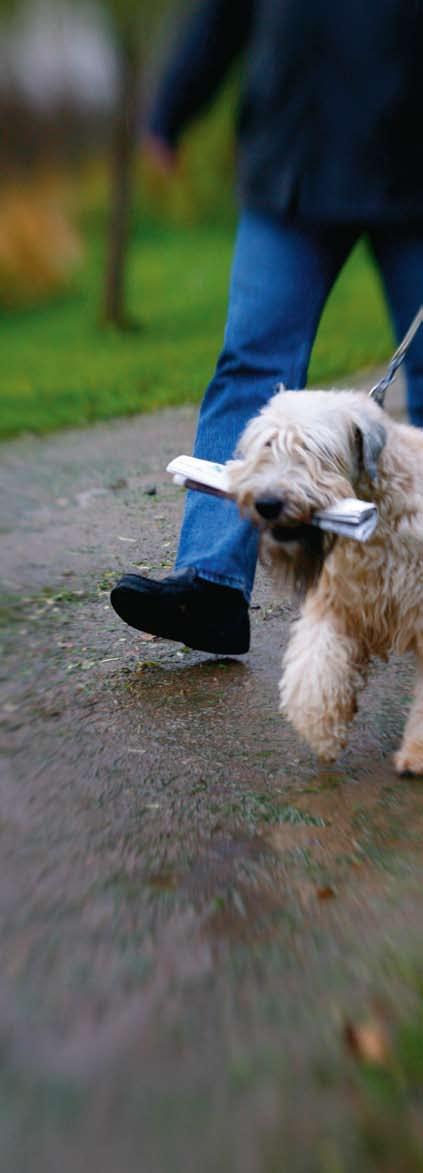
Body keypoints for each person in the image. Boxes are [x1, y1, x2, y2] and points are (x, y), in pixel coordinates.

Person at [111, 0, 423, 655]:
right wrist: (172, 106)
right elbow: (222, 17)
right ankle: (211, 584)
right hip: (292, 154)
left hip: (409, 152)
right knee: (252, 363)